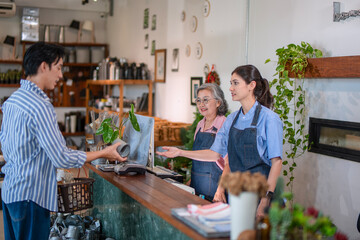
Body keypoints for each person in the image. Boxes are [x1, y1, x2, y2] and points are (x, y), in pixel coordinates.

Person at [0, 42, 126, 240]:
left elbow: (8, 147)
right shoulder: (40, 106)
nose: (60, 75)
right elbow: (61, 157)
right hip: (30, 198)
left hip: (10, 192)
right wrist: (104, 152)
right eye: (58, 68)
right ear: (44, 66)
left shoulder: (13, 100)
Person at [157, 65, 283, 218]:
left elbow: (276, 162)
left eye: (235, 83)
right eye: (230, 83)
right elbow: (216, 154)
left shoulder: (269, 118)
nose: (230, 88)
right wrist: (180, 152)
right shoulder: (232, 120)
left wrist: (265, 200)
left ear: (251, 85)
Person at [189, 83, 228, 201]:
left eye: (206, 100)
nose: (201, 104)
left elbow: (229, 164)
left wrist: (220, 190)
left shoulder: (224, 125)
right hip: (196, 189)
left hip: (216, 193)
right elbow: (198, 159)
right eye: (199, 100)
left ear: (218, 102)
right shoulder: (200, 125)